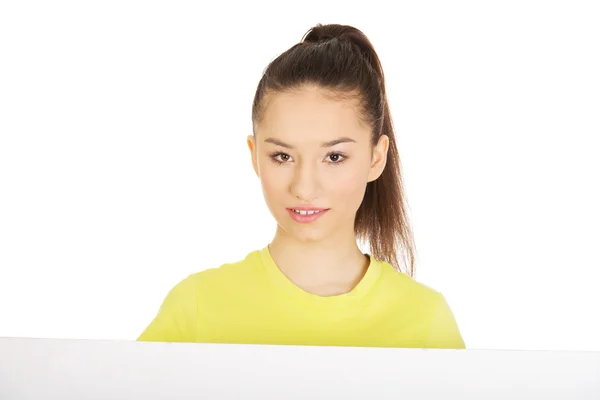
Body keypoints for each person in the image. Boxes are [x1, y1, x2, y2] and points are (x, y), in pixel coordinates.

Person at [137, 23, 466, 349]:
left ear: (376, 159)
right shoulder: (195, 310)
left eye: (334, 157)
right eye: (282, 156)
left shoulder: (425, 323)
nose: (305, 188)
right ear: (255, 156)